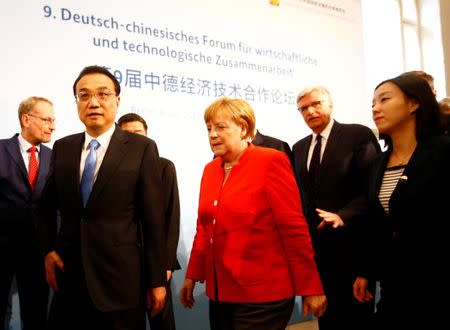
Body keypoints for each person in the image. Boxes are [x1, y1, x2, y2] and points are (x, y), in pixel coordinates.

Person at [37, 65, 167, 330]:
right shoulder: (63, 147)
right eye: (83, 95)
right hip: (69, 277)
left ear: (117, 101)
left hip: (120, 280)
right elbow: (44, 207)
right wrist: (48, 249)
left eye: (103, 94)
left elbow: (153, 219)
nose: (93, 102)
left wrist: (157, 280)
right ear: (76, 103)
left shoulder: (142, 148)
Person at [180, 97, 327, 330]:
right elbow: (205, 227)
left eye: (220, 127)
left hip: (264, 294)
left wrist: (310, 287)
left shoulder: (271, 161)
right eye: (209, 128)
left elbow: (294, 228)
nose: (212, 134)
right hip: (221, 293)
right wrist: (192, 274)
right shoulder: (210, 170)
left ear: (243, 128)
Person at [353, 74, 450, 329]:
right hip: (395, 285)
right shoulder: (377, 164)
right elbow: (377, 224)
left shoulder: (443, 152)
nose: (375, 108)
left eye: (384, 99)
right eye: (372, 103)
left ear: (414, 104)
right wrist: (367, 270)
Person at [292, 86, 380, 330]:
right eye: (303, 108)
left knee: (357, 319)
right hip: (319, 256)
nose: (310, 111)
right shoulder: (298, 148)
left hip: (355, 250)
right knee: (327, 321)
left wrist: (343, 215)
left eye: (316, 104)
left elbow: (374, 188)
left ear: (330, 105)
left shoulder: (357, 135)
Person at [118, 113, 180, 330]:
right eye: (127, 134)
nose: (134, 139)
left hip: (157, 262)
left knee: (162, 321)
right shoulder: (111, 170)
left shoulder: (163, 167)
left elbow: (171, 219)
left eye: (139, 133)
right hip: (123, 265)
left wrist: (166, 265)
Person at [0, 96, 55, 329]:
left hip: (39, 250)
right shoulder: (1, 149)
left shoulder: (54, 157)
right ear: (26, 119)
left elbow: (56, 205)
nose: (52, 126)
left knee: (37, 314)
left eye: (54, 120)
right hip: (1, 247)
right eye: (47, 120)